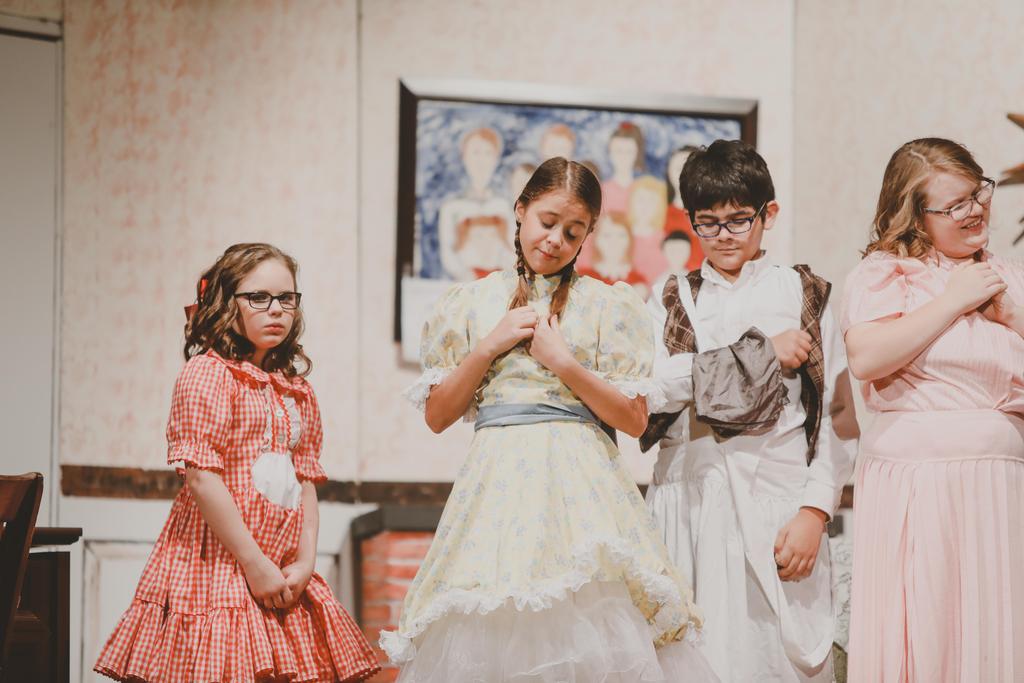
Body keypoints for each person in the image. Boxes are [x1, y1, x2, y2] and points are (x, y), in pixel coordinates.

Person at [381, 157, 718, 682]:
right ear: (520, 210)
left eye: (573, 231)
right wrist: (488, 346)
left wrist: (564, 363)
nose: (556, 240)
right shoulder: (471, 303)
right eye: (547, 222)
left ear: (588, 235)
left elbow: (633, 421)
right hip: (497, 490)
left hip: (583, 494)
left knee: (590, 622)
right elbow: (438, 415)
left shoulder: (606, 305)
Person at [95, 243, 380, 683]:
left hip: (281, 563)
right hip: (221, 563)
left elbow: (304, 478)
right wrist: (253, 563)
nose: (276, 310)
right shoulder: (209, 373)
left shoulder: (295, 388)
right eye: (258, 298)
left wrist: (306, 561)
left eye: (286, 298)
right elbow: (201, 478)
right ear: (228, 303)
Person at [641, 140, 858, 682]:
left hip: (779, 506)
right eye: (707, 223)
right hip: (689, 504)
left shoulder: (804, 294)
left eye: (739, 220)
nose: (724, 235)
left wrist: (815, 512)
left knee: (773, 660)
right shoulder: (673, 298)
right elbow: (651, 389)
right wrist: (759, 355)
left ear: (769, 214)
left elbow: (837, 415)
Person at [842, 138, 1024, 682]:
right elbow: (867, 358)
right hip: (921, 481)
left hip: (1001, 485)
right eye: (954, 205)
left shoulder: (1010, 276)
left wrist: (1011, 315)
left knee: (993, 635)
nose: (974, 210)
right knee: (928, 625)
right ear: (915, 216)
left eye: (977, 193)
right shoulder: (887, 274)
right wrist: (952, 301)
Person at [437, 127, 511, 280]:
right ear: (464, 157)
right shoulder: (451, 207)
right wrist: (467, 276)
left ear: (496, 159)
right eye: (475, 152)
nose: (481, 160)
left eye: (488, 153)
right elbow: (447, 252)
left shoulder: (505, 206)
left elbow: (514, 248)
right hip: (464, 284)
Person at [664, 146, 704, 271]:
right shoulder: (660, 214)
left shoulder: (713, 215)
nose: (682, 174)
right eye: (677, 168)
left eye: (688, 168)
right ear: (669, 172)